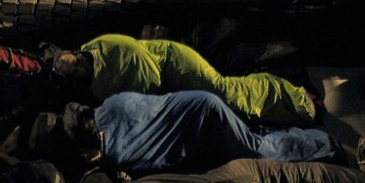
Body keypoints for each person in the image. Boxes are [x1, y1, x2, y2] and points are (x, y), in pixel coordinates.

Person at [53, 34, 316, 126]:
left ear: (77, 54)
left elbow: (150, 78)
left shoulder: (107, 46)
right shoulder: (96, 84)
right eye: (74, 73)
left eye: (76, 64)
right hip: (170, 84)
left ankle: (288, 92)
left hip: (176, 65)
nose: (80, 70)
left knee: (227, 93)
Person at [60, 91, 336, 174]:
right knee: (255, 144)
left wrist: (102, 157)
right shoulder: (111, 103)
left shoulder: (115, 149)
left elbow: (142, 155)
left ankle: (323, 143)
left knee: (258, 150)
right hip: (199, 106)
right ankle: (304, 137)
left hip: (203, 120)